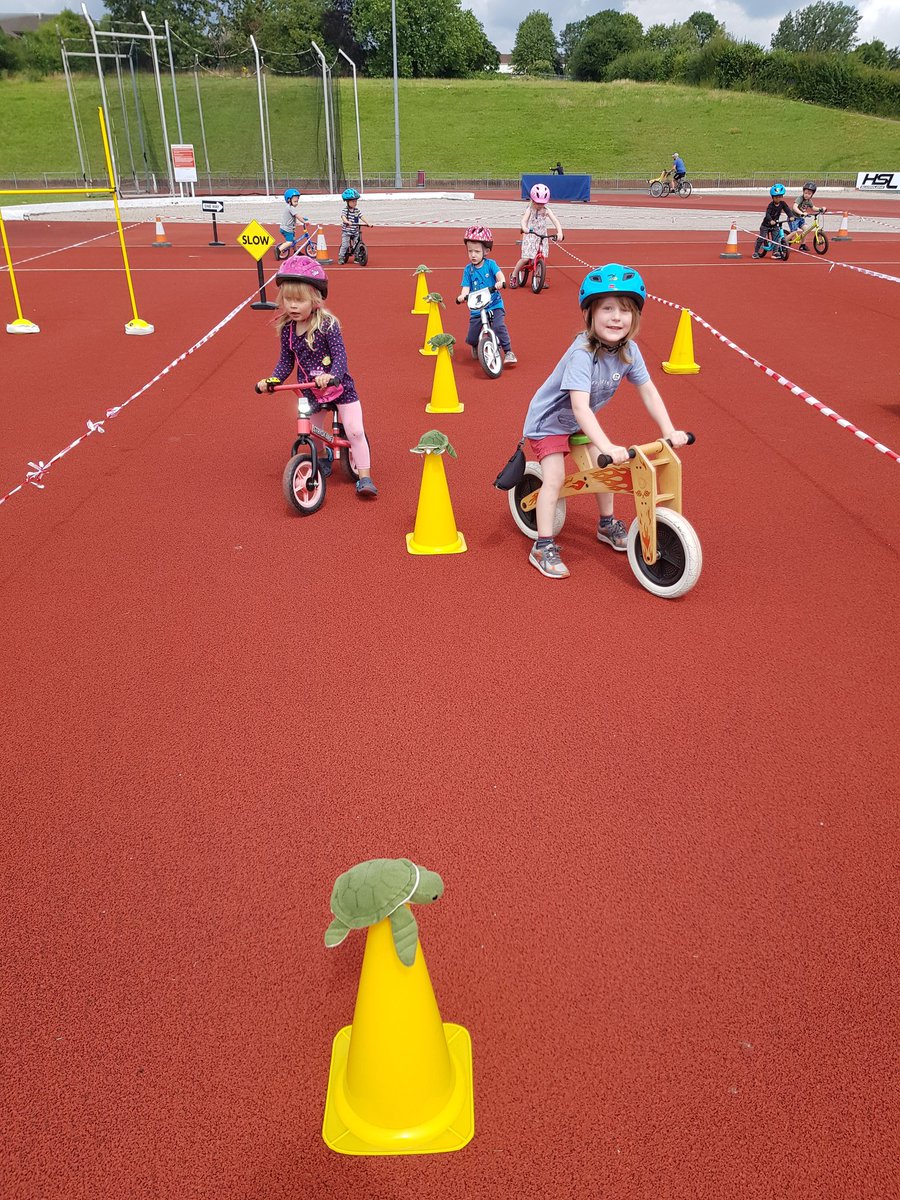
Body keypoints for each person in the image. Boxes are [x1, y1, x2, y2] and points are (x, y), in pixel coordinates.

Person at [521, 264, 689, 579]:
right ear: (591, 315)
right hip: (549, 423)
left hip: (576, 423)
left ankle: (606, 523)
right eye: (607, 309)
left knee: (605, 470)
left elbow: (649, 391)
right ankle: (542, 545)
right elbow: (581, 408)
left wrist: (669, 431)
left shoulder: (629, 351)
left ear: (635, 317)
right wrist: (607, 444)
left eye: (624, 310)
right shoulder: (582, 354)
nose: (616, 317)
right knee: (555, 478)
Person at [257, 255, 377, 497]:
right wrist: (272, 381)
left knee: (354, 430)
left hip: (340, 389)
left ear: (315, 299)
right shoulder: (288, 330)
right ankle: (321, 457)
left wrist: (331, 375)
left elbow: (341, 357)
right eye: (288, 299)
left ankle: (364, 476)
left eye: (299, 300)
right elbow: (285, 362)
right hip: (311, 390)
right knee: (311, 428)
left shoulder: (328, 325)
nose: (292, 306)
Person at [457, 224, 516, 364]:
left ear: (486, 251)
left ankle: (508, 351)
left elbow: (500, 275)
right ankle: (476, 344)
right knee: (472, 336)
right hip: (477, 307)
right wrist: (462, 296)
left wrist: (500, 282)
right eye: (470, 251)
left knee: (498, 326)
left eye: (477, 251)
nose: (473, 255)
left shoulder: (491, 264)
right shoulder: (468, 270)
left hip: (494, 304)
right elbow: (466, 286)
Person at [510, 184, 564, 289]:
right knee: (525, 259)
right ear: (532, 200)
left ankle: (540, 279)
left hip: (542, 237)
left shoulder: (546, 211)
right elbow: (523, 220)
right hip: (530, 236)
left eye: (542, 203)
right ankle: (514, 275)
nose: (540, 205)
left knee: (541, 258)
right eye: (537, 203)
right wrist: (524, 228)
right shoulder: (530, 209)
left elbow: (555, 221)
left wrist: (559, 232)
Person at [752, 183, 793, 258]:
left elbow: (787, 210)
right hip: (766, 225)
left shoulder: (782, 203)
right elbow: (767, 214)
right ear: (773, 197)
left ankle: (775, 252)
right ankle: (756, 252)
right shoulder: (771, 205)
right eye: (776, 197)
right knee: (762, 238)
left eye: (780, 197)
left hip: (775, 224)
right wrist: (770, 220)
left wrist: (791, 216)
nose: (778, 199)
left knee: (776, 238)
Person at [789, 181, 827, 251]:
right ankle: (783, 243)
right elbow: (794, 207)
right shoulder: (800, 198)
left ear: (812, 194)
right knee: (793, 232)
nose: (807, 195)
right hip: (793, 218)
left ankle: (802, 245)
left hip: (800, 218)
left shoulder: (809, 201)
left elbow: (813, 208)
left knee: (806, 230)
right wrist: (801, 213)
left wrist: (821, 209)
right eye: (805, 193)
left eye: (809, 194)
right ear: (803, 192)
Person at [338, 188, 372, 264]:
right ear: (347, 202)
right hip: (347, 231)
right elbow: (343, 217)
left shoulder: (357, 210)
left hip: (355, 231)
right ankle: (341, 257)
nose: (355, 203)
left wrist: (367, 223)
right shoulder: (345, 210)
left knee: (357, 243)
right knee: (345, 245)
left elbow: (361, 216)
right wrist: (347, 221)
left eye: (356, 201)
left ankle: (357, 257)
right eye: (353, 201)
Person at [276, 188, 306, 260]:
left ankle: (296, 251)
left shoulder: (290, 207)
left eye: (297, 201)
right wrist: (304, 222)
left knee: (293, 239)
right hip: (287, 229)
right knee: (289, 242)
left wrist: (303, 218)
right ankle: (279, 250)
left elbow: (297, 216)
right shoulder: (290, 208)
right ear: (289, 200)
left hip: (287, 228)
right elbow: (297, 216)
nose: (297, 203)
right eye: (295, 201)